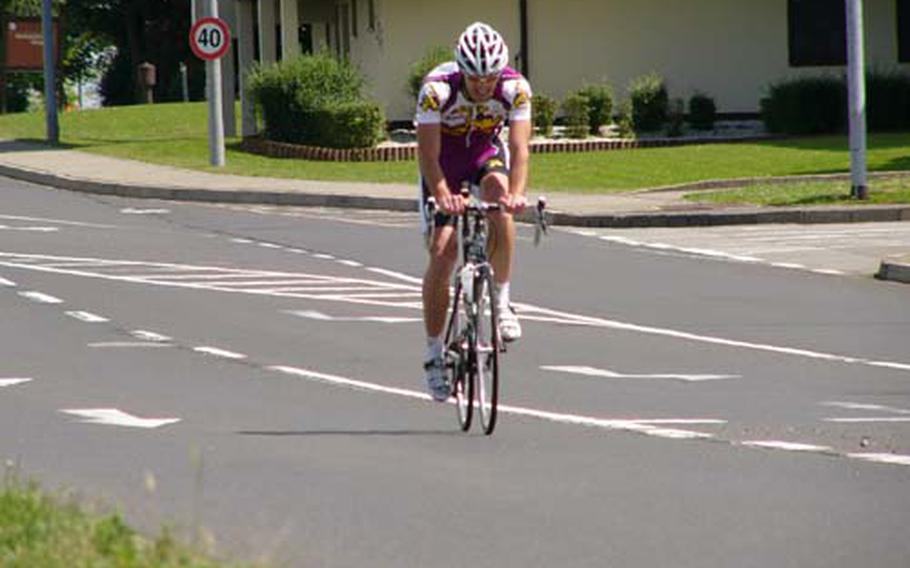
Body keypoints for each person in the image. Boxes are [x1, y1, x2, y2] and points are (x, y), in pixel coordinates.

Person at [415, 22, 533, 401]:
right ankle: (434, 353)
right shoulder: (437, 90)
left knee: (500, 202)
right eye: (476, 78)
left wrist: (516, 195)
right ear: (462, 70)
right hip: (444, 165)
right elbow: (428, 156)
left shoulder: (515, 89)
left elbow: (519, 149)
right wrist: (444, 195)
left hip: (484, 154)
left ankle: (501, 303)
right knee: (443, 251)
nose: (483, 86)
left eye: (489, 78)